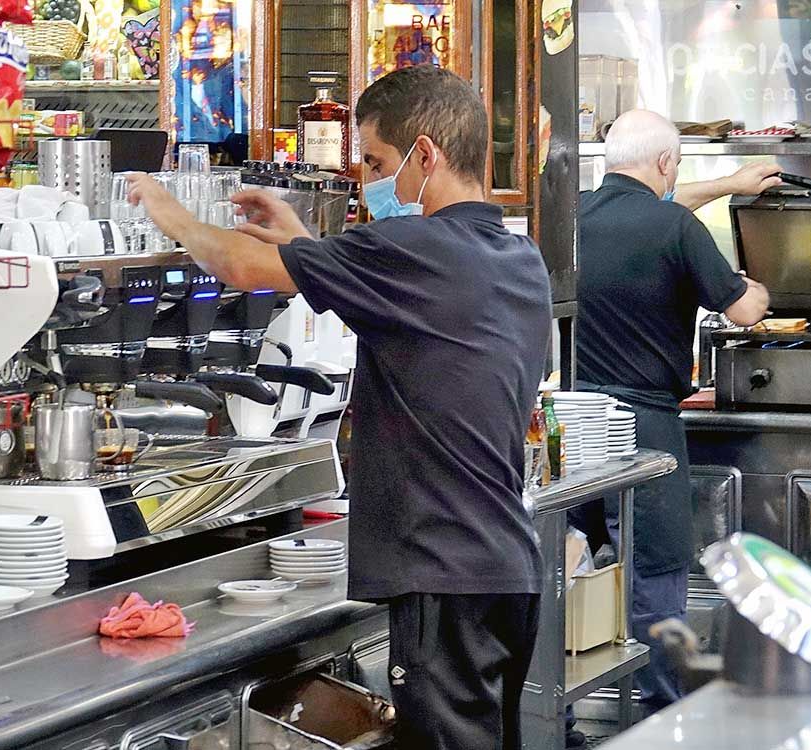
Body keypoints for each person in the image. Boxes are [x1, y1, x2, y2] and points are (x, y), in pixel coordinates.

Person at [127, 65, 552, 750]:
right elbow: (376, 277)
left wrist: (169, 211)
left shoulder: (415, 249)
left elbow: (240, 269)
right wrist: (298, 235)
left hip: (442, 576)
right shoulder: (514, 256)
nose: (370, 182)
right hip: (505, 568)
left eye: (379, 162)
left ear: (426, 155)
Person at [573, 109, 770, 725]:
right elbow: (742, 313)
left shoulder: (574, 213)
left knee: (573, 560)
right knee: (655, 568)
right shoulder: (675, 228)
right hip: (643, 423)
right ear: (664, 163)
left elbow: (656, 202)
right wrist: (757, 288)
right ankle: (663, 716)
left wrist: (728, 182)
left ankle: (566, 714)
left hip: (573, 419)